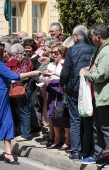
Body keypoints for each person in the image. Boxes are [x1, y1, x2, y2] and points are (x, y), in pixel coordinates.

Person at [0, 42, 41, 164]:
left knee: (7, 123)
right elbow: (15, 76)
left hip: (2, 97)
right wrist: (33, 73)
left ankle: (8, 153)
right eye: (4, 51)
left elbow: (11, 78)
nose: (6, 53)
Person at [60, 25, 96, 160]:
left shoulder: (72, 50)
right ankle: (87, 151)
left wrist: (62, 84)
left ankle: (75, 151)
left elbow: (65, 72)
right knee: (87, 120)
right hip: (89, 89)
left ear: (75, 36)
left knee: (75, 121)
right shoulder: (94, 48)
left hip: (74, 89)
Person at [79, 23, 109, 164]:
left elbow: (101, 74)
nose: (90, 37)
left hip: (104, 97)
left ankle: (106, 157)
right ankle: (98, 155)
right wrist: (86, 69)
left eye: (91, 35)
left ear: (98, 36)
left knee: (105, 128)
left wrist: (86, 74)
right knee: (97, 127)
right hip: (97, 96)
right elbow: (95, 68)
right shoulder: (100, 49)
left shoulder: (107, 50)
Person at [40, 42, 70, 150]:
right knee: (54, 117)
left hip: (61, 93)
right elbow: (46, 79)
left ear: (62, 53)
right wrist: (44, 75)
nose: (54, 55)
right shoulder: (50, 64)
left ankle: (67, 140)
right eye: (53, 52)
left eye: (56, 52)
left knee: (63, 117)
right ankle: (57, 140)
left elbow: (66, 77)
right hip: (51, 93)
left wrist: (53, 73)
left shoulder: (64, 64)